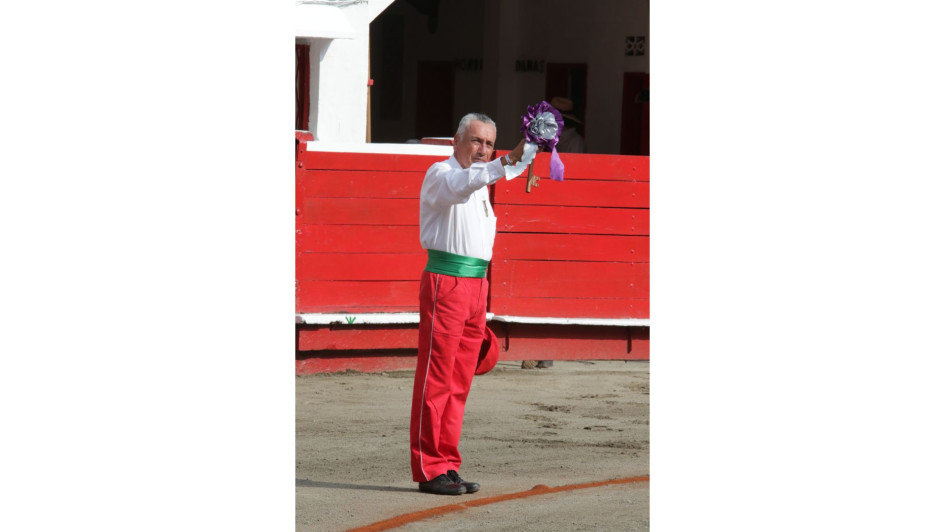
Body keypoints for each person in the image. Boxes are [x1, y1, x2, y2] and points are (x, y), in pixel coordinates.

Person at [410, 113, 528, 495]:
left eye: (490, 144)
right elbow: (469, 181)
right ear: (455, 142)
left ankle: (447, 463)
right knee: (437, 377)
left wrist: (535, 143)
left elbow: (501, 171)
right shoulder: (441, 174)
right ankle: (430, 469)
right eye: (476, 141)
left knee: (459, 380)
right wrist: (507, 161)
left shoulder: (479, 180)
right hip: (447, 281)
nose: (483, 150)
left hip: (476, 285)